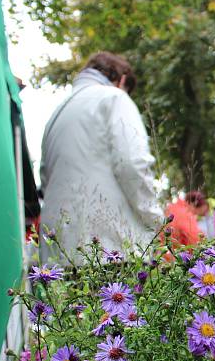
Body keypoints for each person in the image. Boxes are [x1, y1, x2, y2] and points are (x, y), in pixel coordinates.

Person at [40, 52, 162, 264]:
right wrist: (155, 219)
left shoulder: (56, 114)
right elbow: (132, 164)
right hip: (110, 249)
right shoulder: (114, 98)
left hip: (58, 255)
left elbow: (45, 179)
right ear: (122, 80)